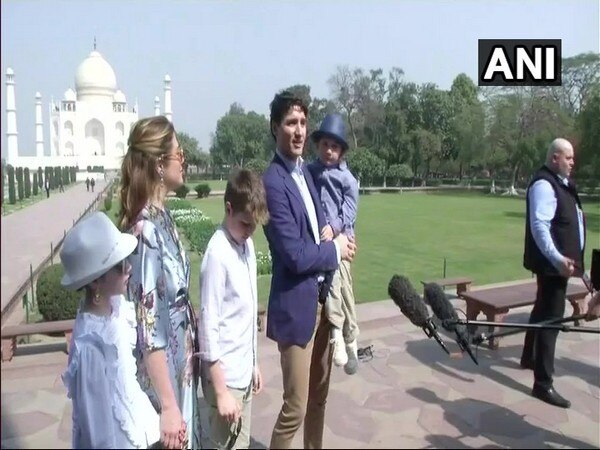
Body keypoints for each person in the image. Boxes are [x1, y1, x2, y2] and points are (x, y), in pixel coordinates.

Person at [263, 91, 356, 449]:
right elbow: (296, 255)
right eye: (291, 123)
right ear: (276, 128)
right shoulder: (273, 182)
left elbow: (322, 228)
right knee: (295, 407)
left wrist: (343, 238)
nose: (299, 131)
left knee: (319, 399)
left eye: (303, 123)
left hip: (322, 302)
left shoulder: (305, 173)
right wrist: (333, 250)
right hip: (295, 307)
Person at [119, 115, 199, 449]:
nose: (184, 161)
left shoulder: (160, 217)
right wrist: (168, 405)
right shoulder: (147, 231)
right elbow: (148, 328)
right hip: (164, 377)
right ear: (159, 164)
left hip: (179, 363)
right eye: (179, 154)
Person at [60, 211, 160, 449]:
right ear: (95, 281)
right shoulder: (90, 347)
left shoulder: (115, 312)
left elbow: (127, 386)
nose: (128, 269)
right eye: (119, 266)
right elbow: (98, 433)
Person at [198, 169, 269, 449]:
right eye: (245, 223)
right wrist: (221, 390)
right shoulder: (217, 254)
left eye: (254, 225)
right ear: (228, 209)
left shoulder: (246, 245)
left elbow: (247, 314)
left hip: (243, 373)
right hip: (225, 379)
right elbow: (209, 327)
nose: (250, 231)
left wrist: (254, 363)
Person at [521, 137, 586, 409]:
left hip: (558, 265)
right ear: (554, 158)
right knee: (551, 320)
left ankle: (528, 357)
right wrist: (558, 259)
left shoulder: (560, 183)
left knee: (541, 310)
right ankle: (543, 384)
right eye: (568, 157)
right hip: (552, 266)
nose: (573, 162)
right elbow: (539, 225)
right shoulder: (545, 184)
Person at [307, 113, 360, 375]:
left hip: (341, 237)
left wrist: (335, 228)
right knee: (335, 285)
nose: (329, 151)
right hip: (322, 241)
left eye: (335, 146)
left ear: (341, 151)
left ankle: (343, 335)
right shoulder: (310, 172)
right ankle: (346, 336)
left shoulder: (347, 179)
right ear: (318, 145)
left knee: (340, 284)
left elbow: (350, 211)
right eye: (325, 144)